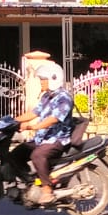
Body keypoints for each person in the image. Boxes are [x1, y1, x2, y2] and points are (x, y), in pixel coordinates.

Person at [16, 61, 76, 204]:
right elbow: (34, 113)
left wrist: (33, 127)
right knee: (16, 154)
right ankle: (31, 182)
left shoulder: (64, 98)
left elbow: (53, 119)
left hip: (57, 140)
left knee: (37, 155)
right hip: (43, 139)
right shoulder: (46, 96)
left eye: (43, 79)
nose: (41, 82)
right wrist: (13, 121)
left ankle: (47, 189)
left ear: (53, 79)